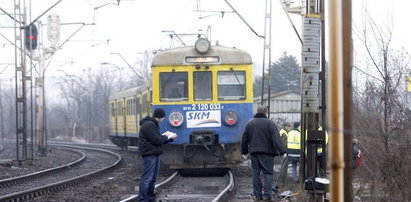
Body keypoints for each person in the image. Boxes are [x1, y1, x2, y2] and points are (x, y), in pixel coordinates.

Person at [241, 106, 286, 201]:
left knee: (255, 174)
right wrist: (282, 151)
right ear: (266, 112)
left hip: (254, 153)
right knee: (268, 174)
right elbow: (276, 138)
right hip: (267, 153)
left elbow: (244, 138)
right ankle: (267, 195)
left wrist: (244, 151)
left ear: (257, 112)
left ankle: (257, 195)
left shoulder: (250, 123)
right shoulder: (270, 123)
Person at [137, 108, 177, 202]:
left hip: (154, 153)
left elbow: (157, 139)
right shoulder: (149, 125)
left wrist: (170, 139)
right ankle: (142, 199)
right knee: (147, 179)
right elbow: (157, 140)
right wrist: (167, 136)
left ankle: (150, 198)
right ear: (160, 117)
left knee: (152, 179)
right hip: (149, 154)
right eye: (163, 117)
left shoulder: (152, 124)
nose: (163, 119)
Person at [278, 122, 292, 186]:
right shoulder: (283, 133)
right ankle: (282, 181)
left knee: (283, 166)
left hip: (283, 152)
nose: (290, 128)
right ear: (285, 126)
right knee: (284, 167)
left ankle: (282, 181)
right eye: (289, 126)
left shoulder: (283, 132)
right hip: (285, 152)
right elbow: (284, 144)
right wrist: (285, 151)